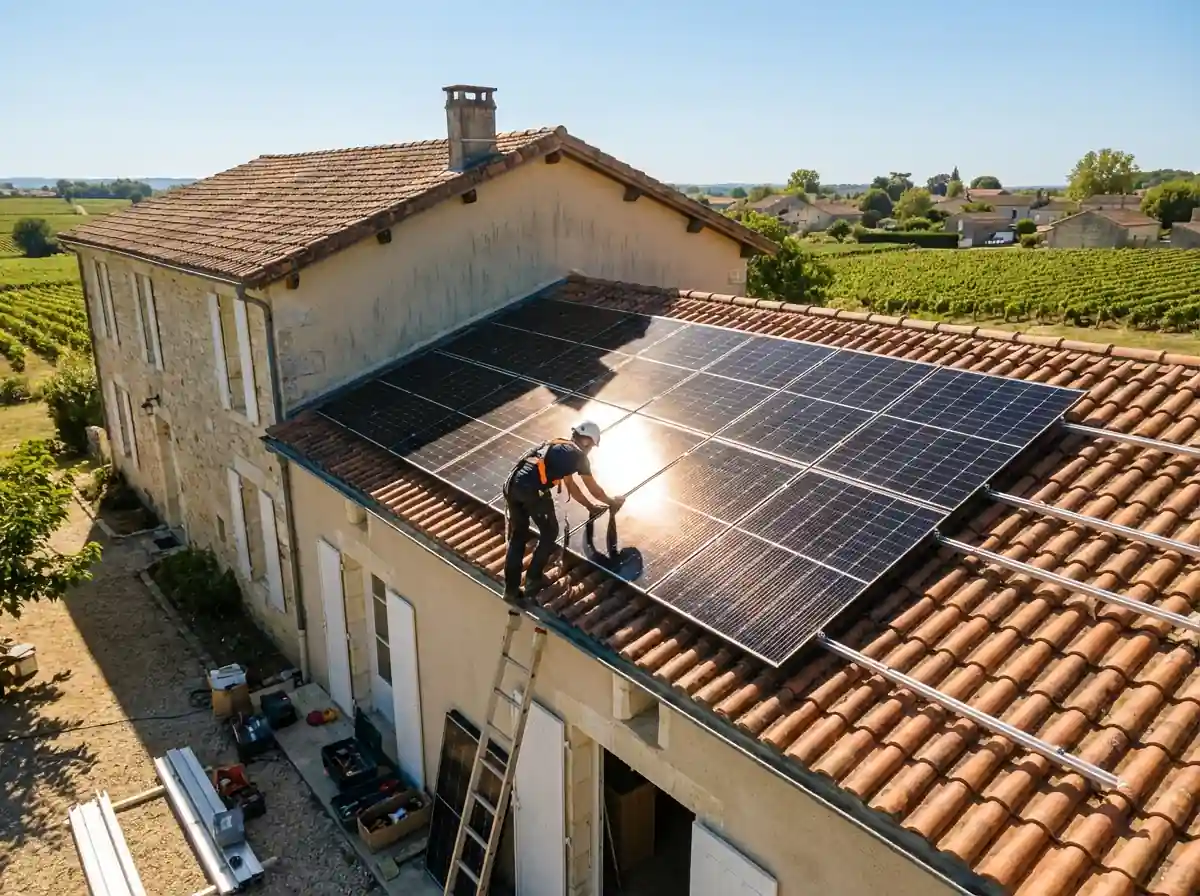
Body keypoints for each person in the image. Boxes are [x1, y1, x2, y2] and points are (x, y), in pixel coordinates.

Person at [503, 420, 624, 603]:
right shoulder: (578, 456)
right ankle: (533, 580)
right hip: (532, 490)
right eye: (591, 445)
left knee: (519, 536)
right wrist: (611, 502)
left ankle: (510, 590)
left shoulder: (558, 446)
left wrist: (589, 507)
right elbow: (593, 489)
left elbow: (571, 486)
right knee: (550, 532)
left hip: (511, 485)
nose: (590, 449)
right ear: (586, 441)